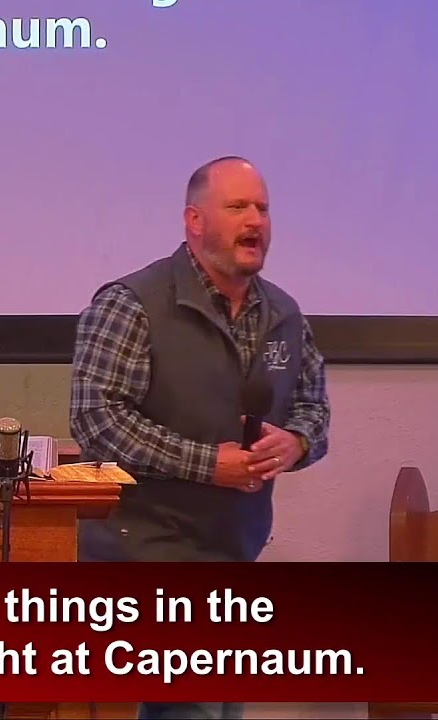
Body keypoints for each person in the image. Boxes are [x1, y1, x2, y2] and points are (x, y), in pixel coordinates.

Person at [69, 156, 331, 720]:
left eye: (263, 208)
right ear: (194, 220)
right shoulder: (132, 304)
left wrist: (296, 443)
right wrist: (206, 463)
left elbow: (314, 409)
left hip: (234, 553)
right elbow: (96, 419)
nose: (255, 220)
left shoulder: (283, 314)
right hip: (141, 554)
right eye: (237, 207)